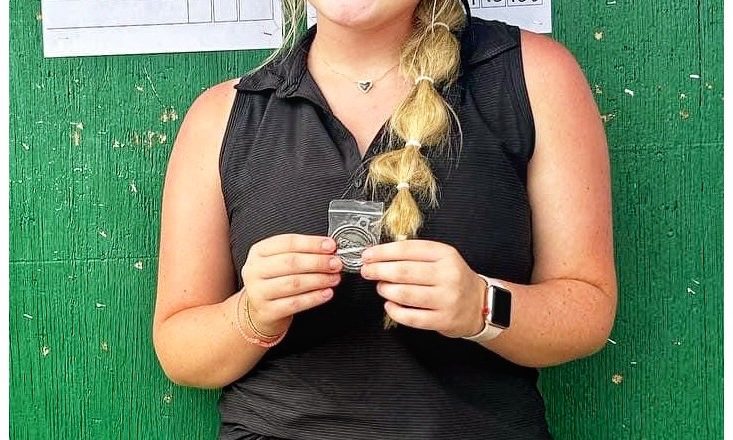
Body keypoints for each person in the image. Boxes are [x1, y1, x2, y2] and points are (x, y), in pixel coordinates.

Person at [152, 0, 618, 438]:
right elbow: (180, 352)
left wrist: (481, 306)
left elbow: (586, 310)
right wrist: (251, 314)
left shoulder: (531, 77)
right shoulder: (223, 116)